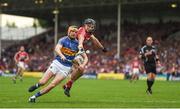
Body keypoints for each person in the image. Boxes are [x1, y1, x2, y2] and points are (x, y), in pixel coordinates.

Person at [28, 26, 88, 103]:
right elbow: (57, 48)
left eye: (75, 32)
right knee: (42, 82)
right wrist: (62, 55)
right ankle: (37, 85)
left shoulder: (78, 44)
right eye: (72, 31)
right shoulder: (63, 40)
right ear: (68, 32)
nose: (74, 33)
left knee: (52, 85)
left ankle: (34, 96)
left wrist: (83, 65)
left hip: (66, 68)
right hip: (57, 63)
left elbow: (86, 58)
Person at [63, 18, 107, 97]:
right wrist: (80, 47)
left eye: (92, 27)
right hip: (70, 51)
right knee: (80, 69)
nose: (91, 28)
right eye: (89, 26)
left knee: (81, 71)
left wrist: (102, 48)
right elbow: (81, 38)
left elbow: (95, 40)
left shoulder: (88, 33)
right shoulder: (82, 31)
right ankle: (68, 85)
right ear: (85, 25)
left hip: (74, 51)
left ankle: (68, 85)